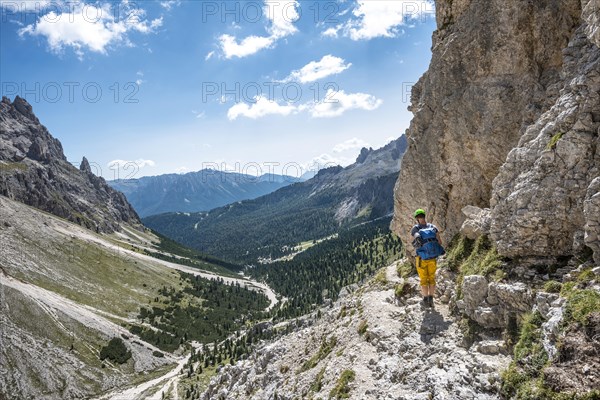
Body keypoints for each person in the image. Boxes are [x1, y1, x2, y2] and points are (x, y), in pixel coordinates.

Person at [410, 209, 444, 309]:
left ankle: (425, 300)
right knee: (432, 278)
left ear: (417, 218)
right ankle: (431, 299)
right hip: (433, 258)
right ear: (424, 216)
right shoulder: (433, 227)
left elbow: (413, 243)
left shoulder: (415, 228)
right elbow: (440, 242)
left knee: (424, 280)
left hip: (421, 258)